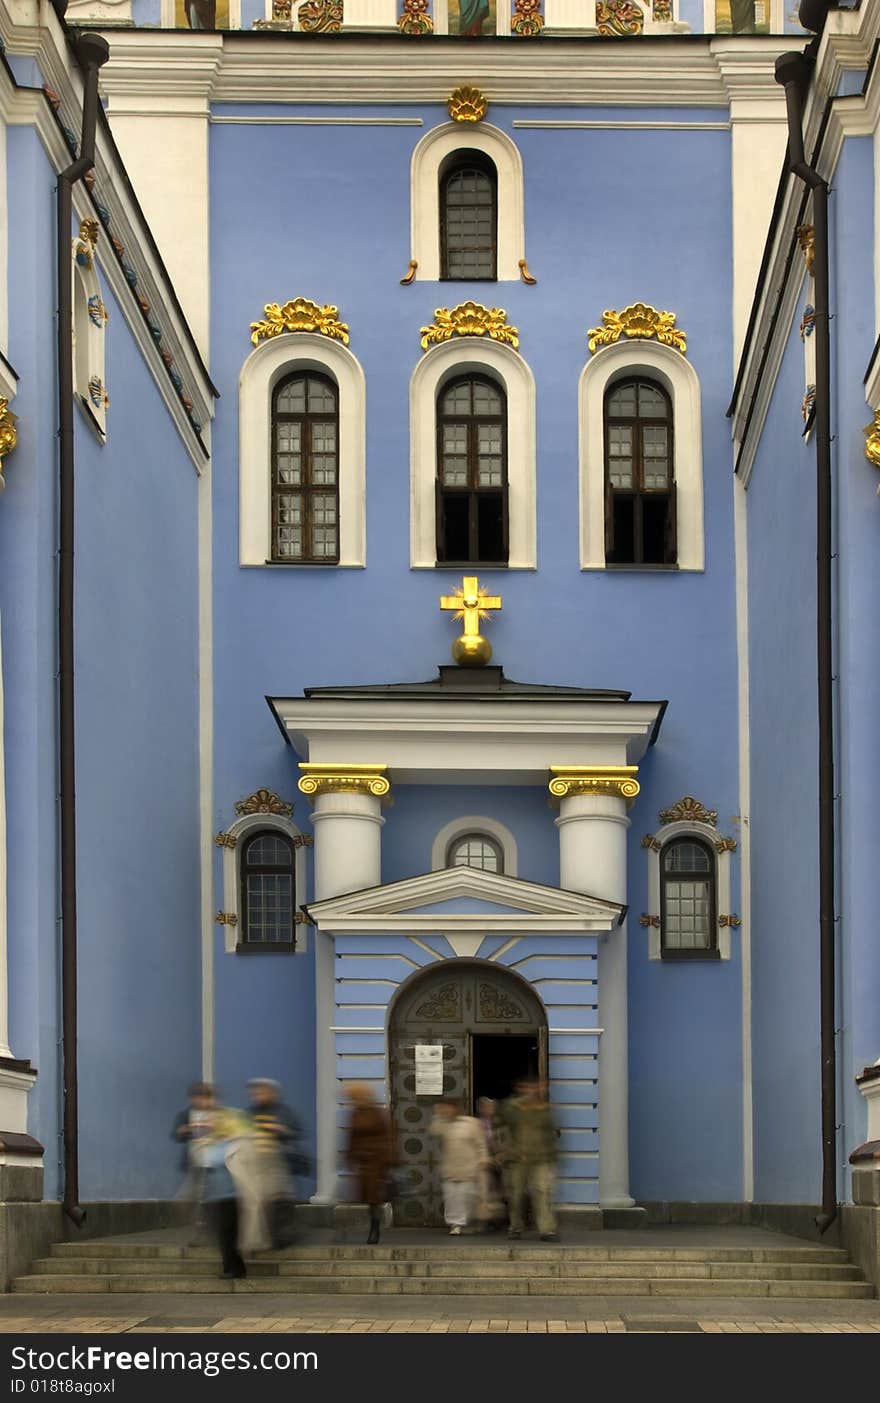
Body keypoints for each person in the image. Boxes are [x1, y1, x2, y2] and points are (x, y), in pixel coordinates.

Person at [193, 1107, 270, 1279]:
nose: (214, 1124)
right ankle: (232, 1267)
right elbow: (201, 1163)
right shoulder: (210, 1144)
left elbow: (254, 1169)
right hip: (214, 1197)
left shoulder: (240, 1144)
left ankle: (234, 1268)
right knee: (224, 1234)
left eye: (218, 1121)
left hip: (234, 1196)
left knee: (228, 1233)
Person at [497, 1078, 560, 1242]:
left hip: (541, 1158)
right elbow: (499, 1129)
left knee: (542, 1192)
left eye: (536, 1087)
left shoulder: (545, 1109)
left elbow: (552, 1133)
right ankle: (515, 1227)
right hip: (517, 1158)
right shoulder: (511, 1108)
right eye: (528, 1087)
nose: (533, 1091)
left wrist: (553, 1157)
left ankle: (547, 1230)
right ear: (521, 1089)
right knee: (516, 1195)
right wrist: (503, 1151)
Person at [247, 1078, 305, 1248]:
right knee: (261, 1200)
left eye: (261, 1092)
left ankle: (282, 1234)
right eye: (255, 1093)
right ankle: (267, 1236)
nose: (257, 1096)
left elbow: (298, 1132)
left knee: (280, 1198)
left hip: (278, 1162)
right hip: (255, 1163)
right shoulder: (249, 1113)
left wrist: (282, 1130)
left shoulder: (284, 1112)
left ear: (272, 1093)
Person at [344, 1083, 396, 1244]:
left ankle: (374, 1230)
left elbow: (389, 1136)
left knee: (374, 1198)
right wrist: (350, 1156)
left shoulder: (378, 1113)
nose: (353, 1101)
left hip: (378, 1162)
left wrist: (389, 1160)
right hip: (363, 1163)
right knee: (369, 1199)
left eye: (355, 1097)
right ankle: (374, 1228)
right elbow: (352, 1137)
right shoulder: (355, 1114)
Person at [429, 1099, 488, 1235]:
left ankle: (468, 1222)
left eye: (449, 1108)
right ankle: (455, 1224)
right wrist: (437, 1115)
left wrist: (483, 1159)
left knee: (466, 1196)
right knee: (451, 1197)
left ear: (456, 1109)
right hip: (450, 1167)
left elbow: (480, 1143)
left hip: (469, 1167)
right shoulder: (443, 1124)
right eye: (445, 1108)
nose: (447, 1111)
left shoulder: (471, 1123)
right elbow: (433, 1131)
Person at [475, 1096, 506, 1230]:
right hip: (483, 1159)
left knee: (500, 1190)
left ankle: (500, 1220)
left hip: (500, 1159)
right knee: (485, 1190)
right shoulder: (476, 1123)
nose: (489, 1109)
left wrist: (501, 1153)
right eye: (485, 1107)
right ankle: (486, 1220)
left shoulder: (500, 1123)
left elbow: (504, 1140)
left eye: (491, 1107)